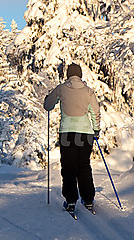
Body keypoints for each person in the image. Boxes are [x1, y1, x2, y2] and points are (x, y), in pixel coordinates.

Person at [42, 63, 100, 215]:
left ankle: (71, 201)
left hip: (67, 134)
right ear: (80, 75)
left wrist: (48, 97)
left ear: (68, 75)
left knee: (68, 167)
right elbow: (95, 112)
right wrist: (96, 130)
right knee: (84, 166)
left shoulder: (61, 88)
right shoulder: (88, 91)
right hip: (86, 134)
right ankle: (88, 200)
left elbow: (48, 106)